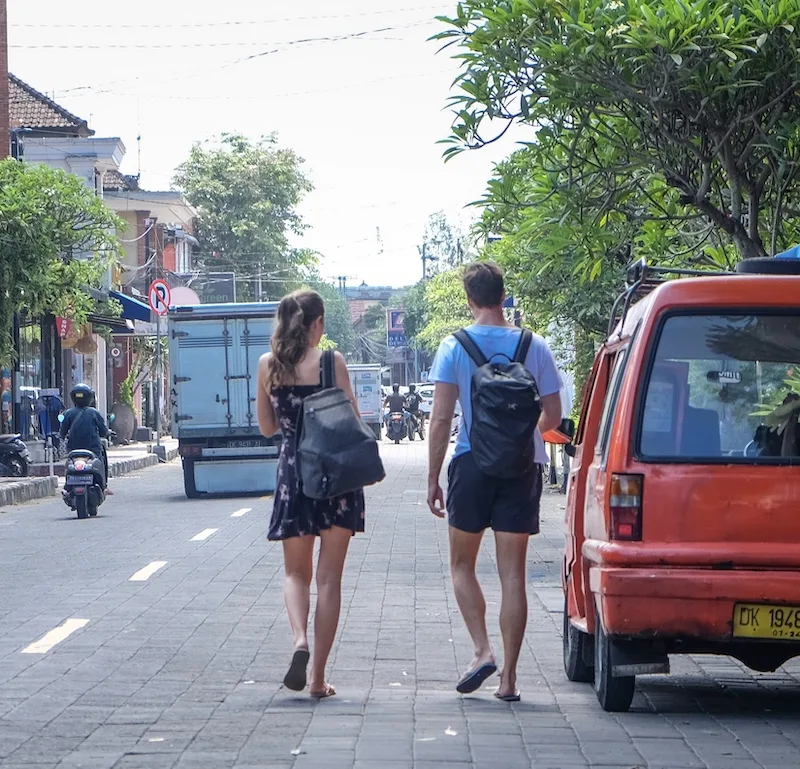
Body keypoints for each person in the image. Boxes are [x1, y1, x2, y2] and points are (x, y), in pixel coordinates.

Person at [426, 261, 562, 702]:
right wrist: (519, 439)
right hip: (522, 470)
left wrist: (433, 477)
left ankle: (482, 651)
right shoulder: (534, 345)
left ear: (469, 299)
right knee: (513, 576)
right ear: (504, 296)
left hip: (471, 466)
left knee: (462, 564)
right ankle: (510, 680)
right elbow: (554, 416)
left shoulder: (454, 346)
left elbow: (442, 418)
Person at [256, 290, 365, 699]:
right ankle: (318, 678)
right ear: (317, 323)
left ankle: (299, 639)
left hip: (293, 475)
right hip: (335, 475)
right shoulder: (331, 363)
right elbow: (352, 416)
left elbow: (267, 428)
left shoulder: (268, 366)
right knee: (329, 579)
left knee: (295, 574)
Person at [59, 383, 112, 493]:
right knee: (101, 458)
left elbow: (62, 433)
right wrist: (108, 433)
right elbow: (103, 430)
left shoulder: (68, 413)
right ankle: (104, 485)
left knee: (69, 464)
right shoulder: (93, 412)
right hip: (93, 449)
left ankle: (67, 486)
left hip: (73, 449)